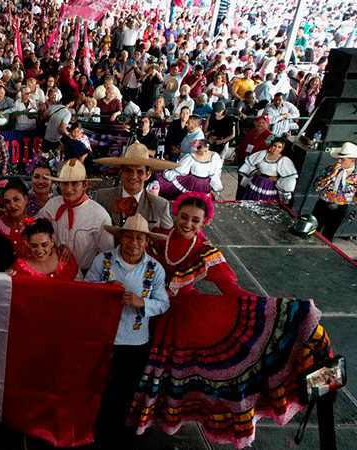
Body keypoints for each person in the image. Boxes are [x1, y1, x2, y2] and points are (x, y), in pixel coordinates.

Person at [131, 193, 331, 447]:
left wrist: (271, 306)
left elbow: (231, 289)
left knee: (188, 372)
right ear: (175, 214)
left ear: (204, 222)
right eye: (184, 217)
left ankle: (163, 420)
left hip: (186, 317)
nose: (188, 224)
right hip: (153, 310)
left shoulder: (204, 251)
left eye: (195, 220)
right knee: (145, 366)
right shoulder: (159, 238)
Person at [84, 214, 169, 448]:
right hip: (103, 335)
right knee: (96, 381)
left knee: (125, 387)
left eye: (139, 238)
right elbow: (86, 290)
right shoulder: (103, 261)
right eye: (129, 236)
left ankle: (116, 431)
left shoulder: (155, 269)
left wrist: (142, 302)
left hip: (135, 340)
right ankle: (91, 424)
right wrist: (105, 288)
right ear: (120, 237)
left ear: (146, 242)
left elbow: (163, 303)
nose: (133, 242)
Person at [36, 159, 114, 272]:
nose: (68, 189)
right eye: (64, 183)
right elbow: (37, 231)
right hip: (53, 272)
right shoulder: (52, 205)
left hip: (85, 275)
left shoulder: (99, 215)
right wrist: (56, 249)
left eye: (74, 183)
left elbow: (107, 254)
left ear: (85, 185)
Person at [95, 142, 177, 229]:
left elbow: (168, 237)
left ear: (148, 175)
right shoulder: (102, 198)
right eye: (129, 170)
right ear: (121, 172)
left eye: (139, 172)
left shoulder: (159, 205)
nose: (134, 176)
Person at [6, 218, 79, 280]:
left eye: (44, 245)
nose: (40, 251)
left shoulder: (66, 259)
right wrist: (7, 277)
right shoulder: (19, 270)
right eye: (34, 246)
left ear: (52, 241)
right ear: (27, 243)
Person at [311, 142, 357, 241]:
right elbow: (316, 186)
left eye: (342, 159)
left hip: (340, 208)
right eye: (338, 158)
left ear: (351, 160)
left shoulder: (356, 176)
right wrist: (331, 175)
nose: (339, 161)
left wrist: (349, 200)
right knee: (313, 230)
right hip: (323, 204)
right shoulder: (329, 169)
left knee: (328, 235)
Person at [158, 139, 224, 199]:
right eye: (200, 152)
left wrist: (216, 187)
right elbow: (181, 169)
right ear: (197, 150)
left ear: (208, 147)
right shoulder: (191, 156)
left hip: (205, 184)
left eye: (205, 151)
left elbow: (214, 174)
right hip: (193, 183)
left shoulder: (214, 156)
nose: (203, 154)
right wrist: (169, 175)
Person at [0, 177, 32, 258]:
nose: (12, 206)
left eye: (16, 199)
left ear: (25, 199)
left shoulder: (35, 225)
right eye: (7, 202)